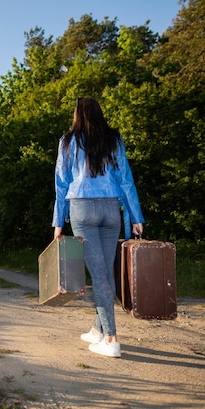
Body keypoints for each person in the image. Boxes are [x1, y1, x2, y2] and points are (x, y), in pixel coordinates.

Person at [52, 97, 144, 358]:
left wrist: (59, 222)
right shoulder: (113, 139)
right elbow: (125, 179)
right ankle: (97, 330)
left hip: (82, 209)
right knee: (104, 271)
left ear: (77, 115)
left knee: (100, 275)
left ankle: (112, 340)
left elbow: (61, 183)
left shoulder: (68, 142)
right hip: (111, 209)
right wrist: (136, 216)